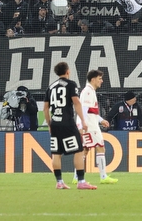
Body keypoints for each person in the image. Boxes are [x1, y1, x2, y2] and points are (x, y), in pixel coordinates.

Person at [44, 61, 96, 190]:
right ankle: (81, 181)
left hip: (55, 123)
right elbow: (77, 103)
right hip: (67, 122)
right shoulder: (71, 85)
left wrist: (49, 124)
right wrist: (83, 121)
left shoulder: (50, 87)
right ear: (68, 71)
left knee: (56, 153)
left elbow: (45, 108)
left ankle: (59, 182)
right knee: (78, 150)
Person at [76, 69, 116, 184]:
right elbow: (83, 109)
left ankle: (76, 177)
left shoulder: (89, 91)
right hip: (90, 126)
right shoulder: (88, 91)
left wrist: (101, 120)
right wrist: (82, 123)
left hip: (89, 124)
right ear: (93, 79)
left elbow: (89, 111)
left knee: (84, 150)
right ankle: (103, 177)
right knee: (100, 147)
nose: (101, 81)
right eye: (100, 78)